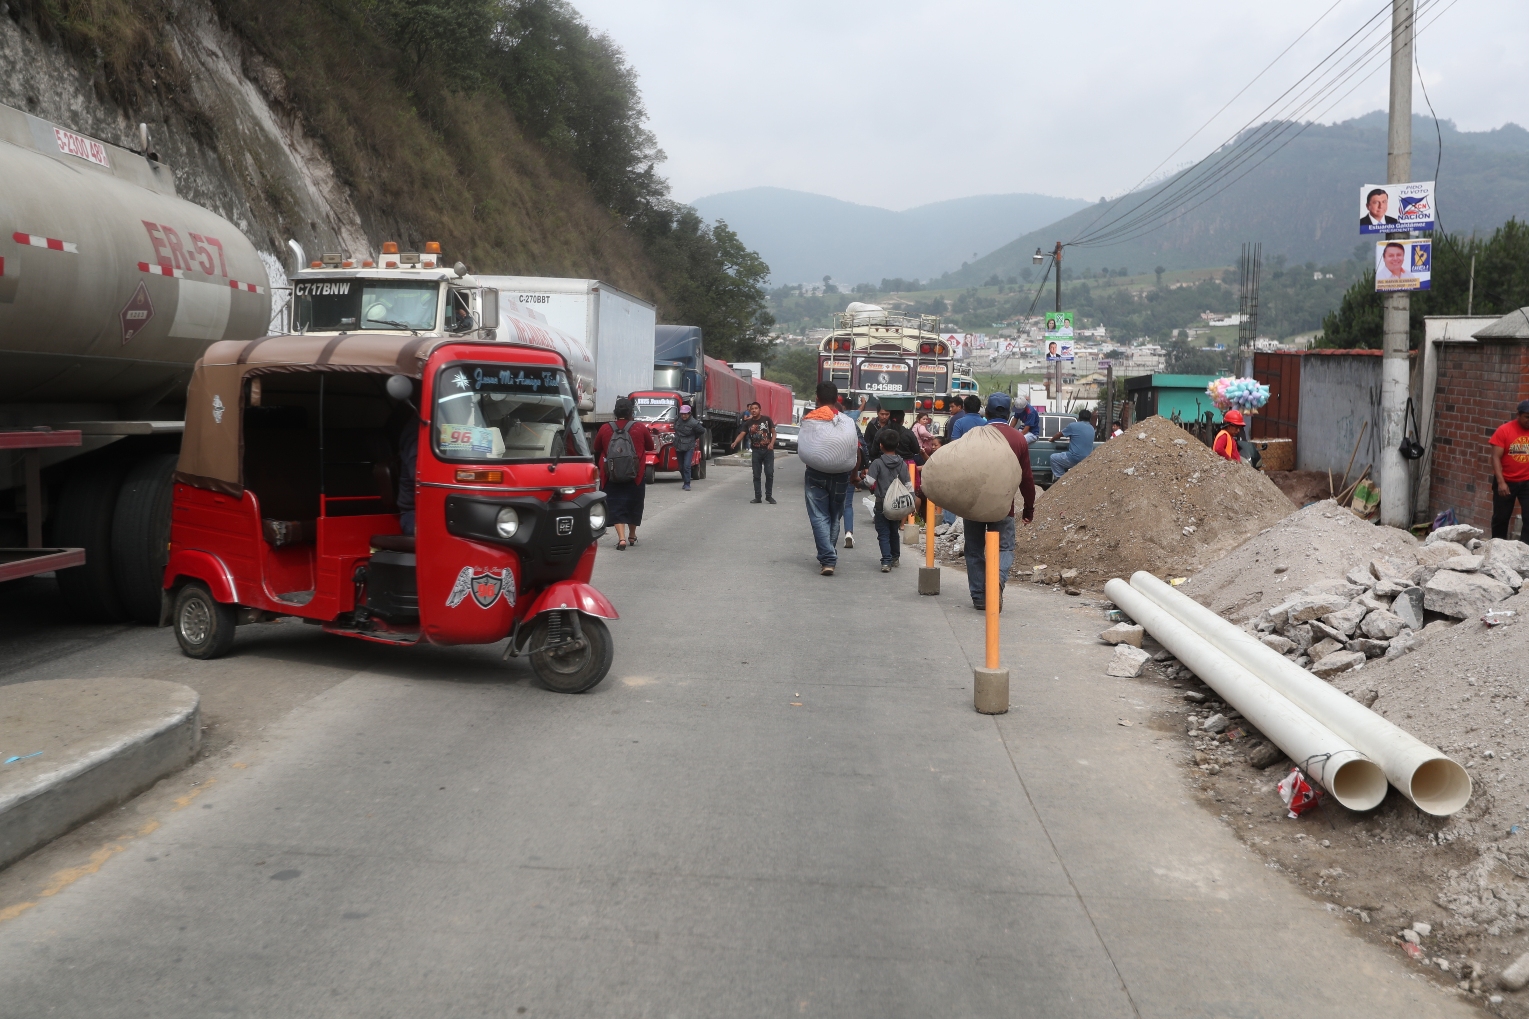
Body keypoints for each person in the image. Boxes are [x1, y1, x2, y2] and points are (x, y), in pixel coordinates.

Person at [963, 402, 1036, 610]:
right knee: (1005, 547)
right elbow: (1027, 479)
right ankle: (996, 581)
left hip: (974, 504)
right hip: (1004, 505)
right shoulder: (1018, 438)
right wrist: (1029, 508)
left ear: (986, 412)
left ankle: (979, 596)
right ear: (1009, 413)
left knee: (974, 549)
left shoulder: (975, 435)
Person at [801, 381, 857, 576]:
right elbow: (854, 449)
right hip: (842, 475)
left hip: (815, 473)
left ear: (817, 398)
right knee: (834, 516)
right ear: (837, 399)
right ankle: (828, 555)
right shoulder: (848, 422)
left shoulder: (810, 419)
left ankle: (828, 558)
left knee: (819, 516)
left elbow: (805, 446)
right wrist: (854, 475)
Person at [593, 397, 655, 549]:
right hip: (635, 475)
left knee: (615, 505)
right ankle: (632, 536)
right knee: (633, 504)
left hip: (611, 474)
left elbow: (596, 447)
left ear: (615, 411)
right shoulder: (639, 428)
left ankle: (621, 539)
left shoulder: (605, 428)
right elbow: (650, 445)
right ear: (631, 412)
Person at [866, 429, 911, 572]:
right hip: (898, 504)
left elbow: (869, 482)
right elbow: (908, 485)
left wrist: (859, 481)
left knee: (883, 533)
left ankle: (886, 561)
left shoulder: (877, 463)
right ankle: (895, 557)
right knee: (894, 531)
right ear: (897, 444)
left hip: (882, 503)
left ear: (880, 445)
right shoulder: (903, 464)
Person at [1490, 399, 1529, 541]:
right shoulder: (1504, 431)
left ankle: (1525, 551)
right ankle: (1497, 548)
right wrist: (1501, 482)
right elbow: (1495, 458)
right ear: (1518, 415)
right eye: (1527, 417)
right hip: (1506, 481)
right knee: (1501, 518)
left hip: (1526, 481)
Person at [730, 401, 776, 504]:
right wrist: (735, 442)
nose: (754, 410)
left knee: (769, 473)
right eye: (752, 409)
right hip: (756, 451)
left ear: (760, 409)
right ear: (749, 411)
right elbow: (742, 434)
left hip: (768, 451)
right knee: (756, 475)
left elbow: (773, 433)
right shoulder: (748, 423)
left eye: (756, 408)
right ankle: (758, 497)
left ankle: (769, 496)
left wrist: (771, 443)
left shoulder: (767, 420)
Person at [1048, 409, 1096, 479]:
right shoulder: (1092, 428)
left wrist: (1051, 439)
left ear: (1079, 418)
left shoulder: (1073, 426)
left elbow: (1059, 434)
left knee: (1053, 458)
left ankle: (1061, 478)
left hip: (1074, 458)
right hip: (1087, 459)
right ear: (1089, 418)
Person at [674, 404, 706, 490]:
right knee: (681, 466)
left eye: (685, 414)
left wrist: (693, 437)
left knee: (687, 465)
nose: (683, 415)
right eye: (682, 414)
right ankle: (685, 480)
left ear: (689, 414)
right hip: (678, 445)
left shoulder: (694, 423)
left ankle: (687, 483)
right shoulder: (677, 420)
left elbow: (702, 431)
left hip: (689, 446)